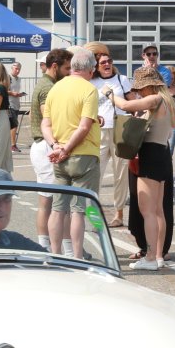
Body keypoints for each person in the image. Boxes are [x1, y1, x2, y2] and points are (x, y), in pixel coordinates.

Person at [106, 66, 175, 270]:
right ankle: (159, 255)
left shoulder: (154, 99)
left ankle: (151, 257)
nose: (138, 92)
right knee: (158, 210)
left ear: (150, 86)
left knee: (147, 211)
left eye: (140, 88)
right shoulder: (168, 101)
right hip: (162, 153)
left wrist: (110, 94)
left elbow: (125, 105)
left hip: (150, 155)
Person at [42, 47, 101, 256]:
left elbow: (45, 124)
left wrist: (55, 146)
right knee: (79, 211)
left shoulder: (55, 88)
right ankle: (77, 256)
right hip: (84, 154)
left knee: (58, 208)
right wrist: (67, 149)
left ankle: (55, 254)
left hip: (58, 154)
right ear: (90, 69)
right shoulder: (89, 89)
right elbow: (84, 127)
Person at [27, 48, 72, 250]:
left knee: (48, 202)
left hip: (43, 145)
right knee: (58, 203)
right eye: (67, 68)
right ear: (55, 66)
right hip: (47, 145)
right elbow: (49, 118)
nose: (69, 72)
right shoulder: (48, 88)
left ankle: (48, 246)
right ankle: (63, 248)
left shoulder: (46, 84)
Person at [89, 45, 131, 227]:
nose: (107, 64)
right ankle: (94, 215)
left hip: (120, 128)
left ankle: (119, 214)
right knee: (94, 174)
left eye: (109, 61)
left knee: (121, 174)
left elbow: (132, 101)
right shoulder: (91, 82)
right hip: (98, 131)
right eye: (103, 62)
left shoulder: (122, 80)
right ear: (96, 66)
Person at [7, 61, 25, 151]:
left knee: (13, 125)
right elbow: (4, 90)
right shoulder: (8, 77)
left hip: (16, 104)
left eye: (19, 69)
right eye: (16, 69)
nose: (17, 71)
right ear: (12, 68)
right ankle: (13, 145)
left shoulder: (19, 79)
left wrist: (19, 94)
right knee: (14, 125)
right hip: (9, 104)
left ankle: (10, 144)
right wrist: (12, 93)